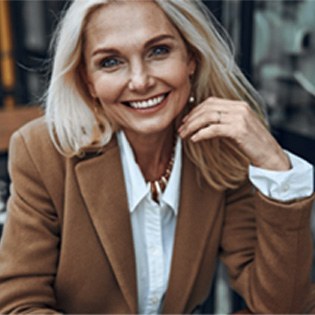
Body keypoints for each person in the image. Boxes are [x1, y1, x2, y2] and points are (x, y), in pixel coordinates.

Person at [0, 0, 314, 313]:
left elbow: (282, 305)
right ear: (88, 81)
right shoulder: (42, 151)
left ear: (191, 57)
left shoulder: (220, 148)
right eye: (110, 62)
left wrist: (277, 169)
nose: (140, 81)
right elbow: (19, 305)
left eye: (158, 51)